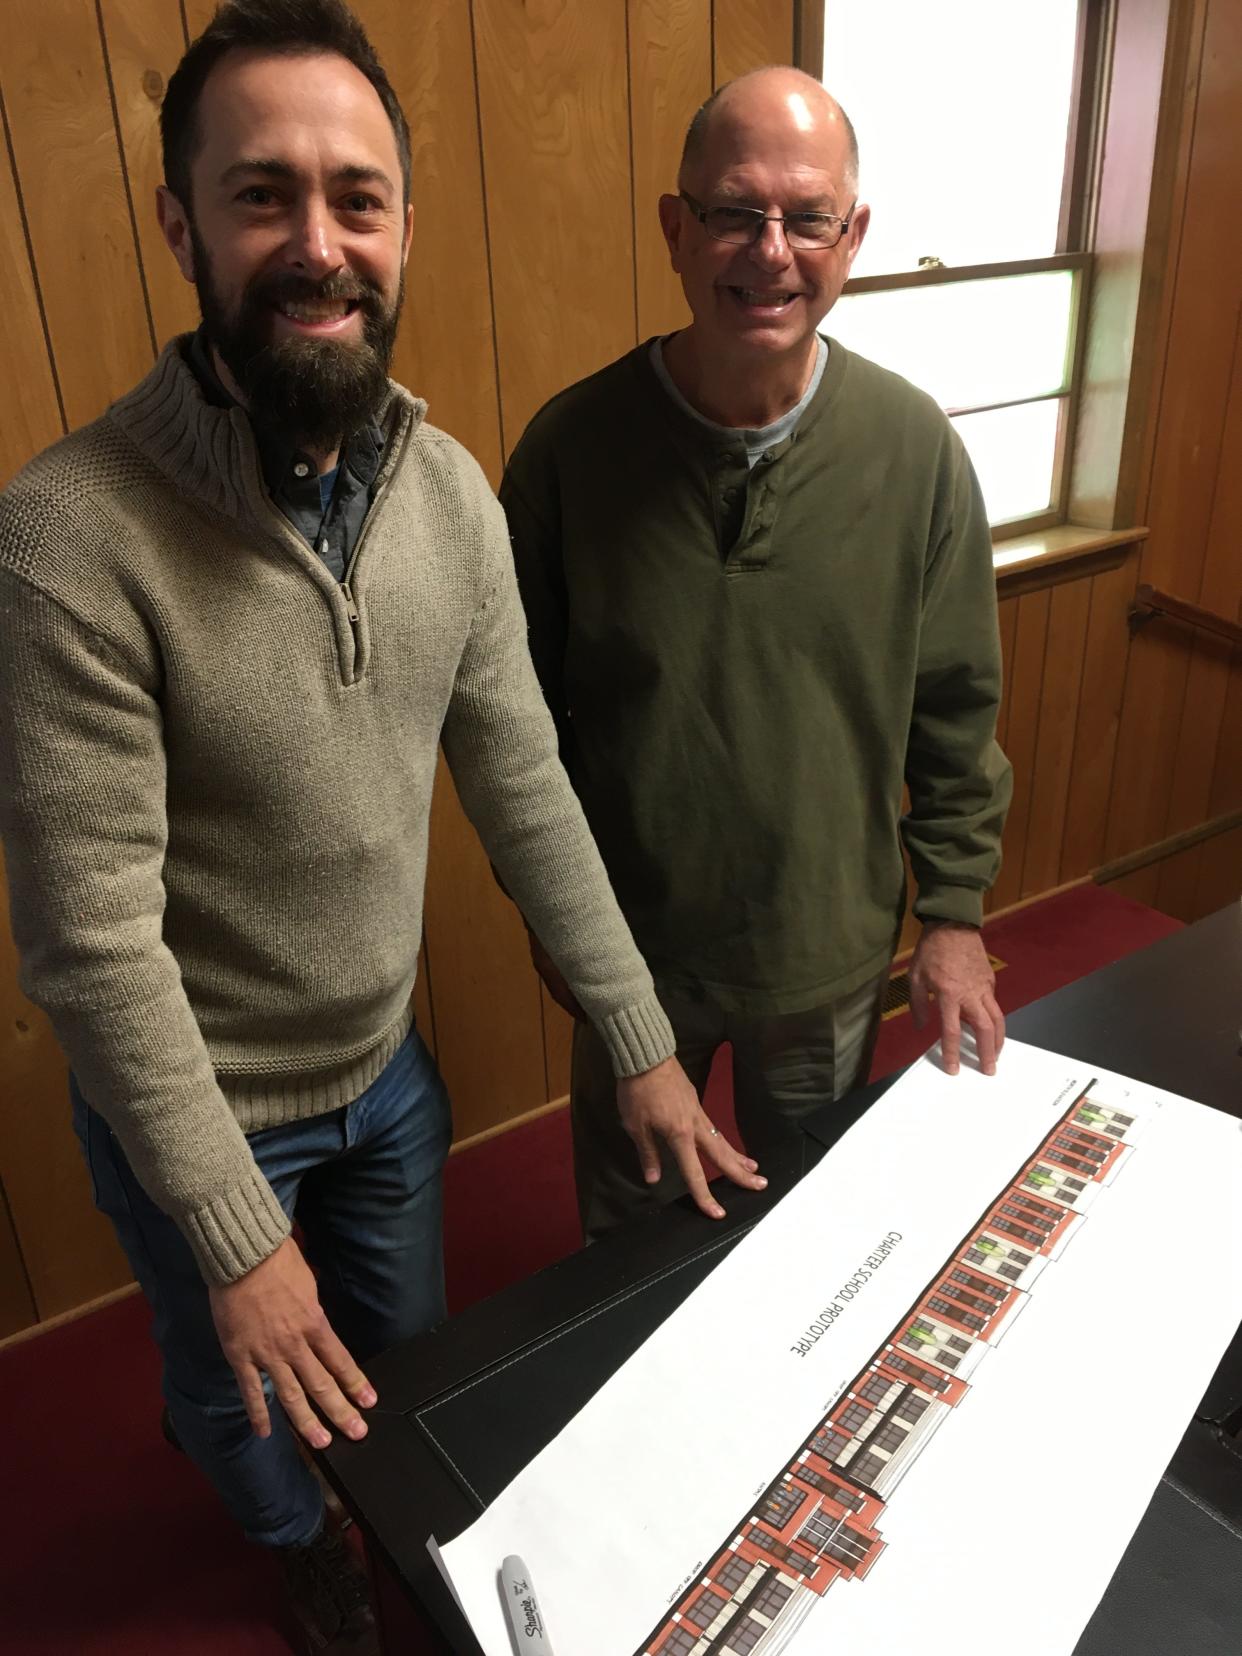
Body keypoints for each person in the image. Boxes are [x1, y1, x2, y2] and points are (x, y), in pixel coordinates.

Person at [0, 4, 764, 1651]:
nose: (315, 240)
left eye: (355, 196)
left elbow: (527, 782)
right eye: (260, 194)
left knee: (390, 1360)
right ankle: (281, 1528)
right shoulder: (68, 537)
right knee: (237, 1393)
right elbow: (89, 941)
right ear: (180, 221)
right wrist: (230, 1231)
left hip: (384, 1079)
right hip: (198, 1115)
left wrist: (635, 1039)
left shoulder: (451, 499)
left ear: (403, 228)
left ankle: (292, 1451)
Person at [502, 66, 1014, 1240]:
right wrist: (557, 927)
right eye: (735, 210)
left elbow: (955, 712)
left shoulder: (915, 449)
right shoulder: (570, 453)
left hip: (827, 945)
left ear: (855, 235)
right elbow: (513, 734)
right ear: (676, 229)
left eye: (807, 216)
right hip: (635, 959)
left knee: (812, 1239)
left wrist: (952, 915)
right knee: (627, 1251)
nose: (770, 250)